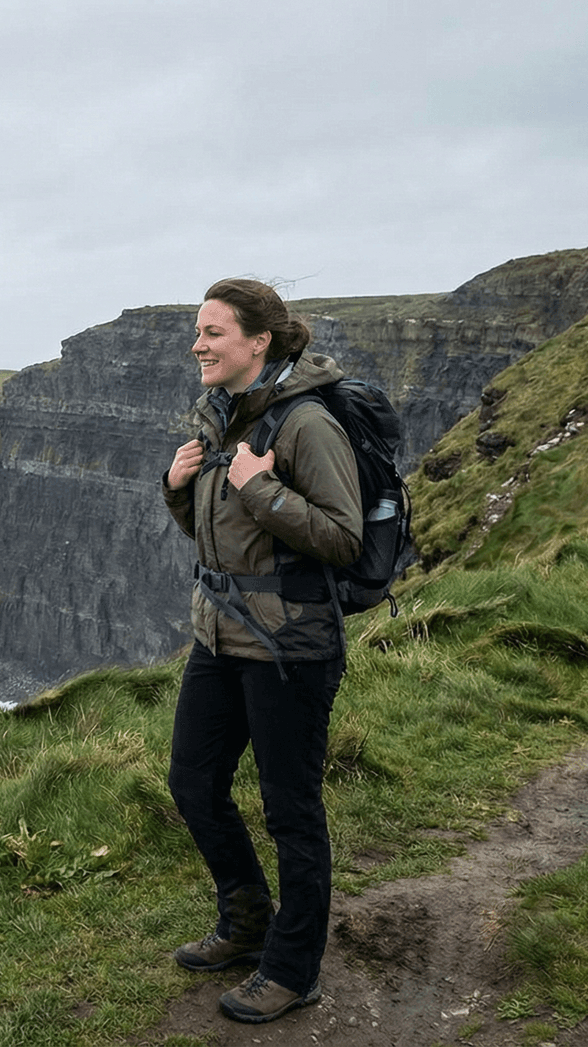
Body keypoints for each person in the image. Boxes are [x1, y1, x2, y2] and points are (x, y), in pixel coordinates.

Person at [160, 277, 362, 1024]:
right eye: (198, 330)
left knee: (291, 809)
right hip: (220, 634)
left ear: (258, 341)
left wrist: (260, 488)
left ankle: (293, 967)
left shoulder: (305, 423)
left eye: (213, 331)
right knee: (194, 782)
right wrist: (179, 489)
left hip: (291, 647)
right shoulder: (220, 417)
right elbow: (226, 541)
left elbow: (344, 538)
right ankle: (247, 920)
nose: (199, 344)